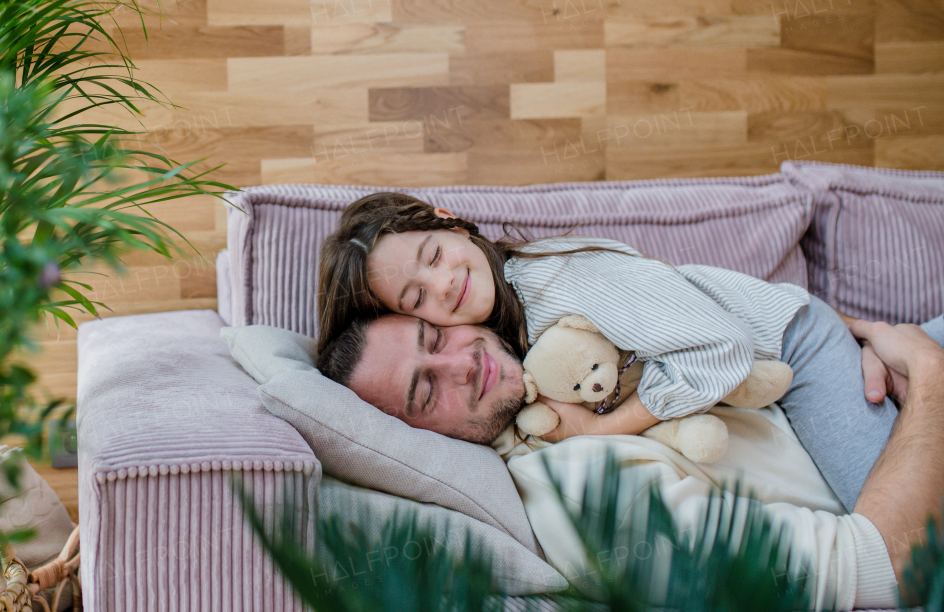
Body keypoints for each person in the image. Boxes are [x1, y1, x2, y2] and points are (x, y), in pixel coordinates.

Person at [317, 191, 898, 513]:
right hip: (776, 353)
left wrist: (606, 429)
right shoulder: (505, 339)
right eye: (419, 296)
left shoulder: (564, 286)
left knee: (900, 537)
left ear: (450, 222)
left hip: (798, 347)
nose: (444, 285)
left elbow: (721, 350)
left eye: (434, 255)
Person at [318, 311, 944, 609]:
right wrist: (928, 374)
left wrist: (862, 352)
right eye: (426, 390)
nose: (463, 363)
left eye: (436, 337)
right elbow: (890, 563)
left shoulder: (556, 360)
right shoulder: (582, 499)